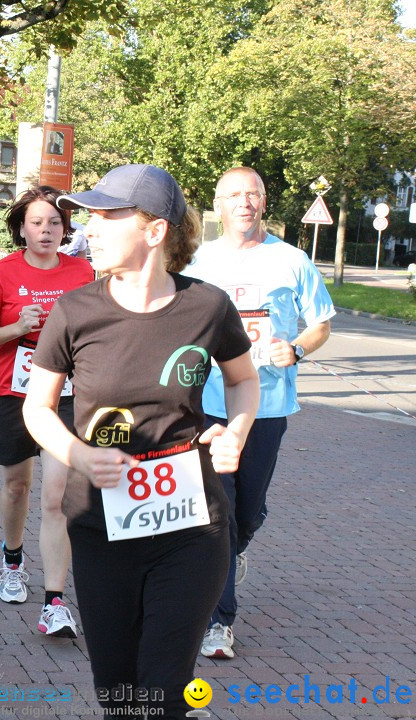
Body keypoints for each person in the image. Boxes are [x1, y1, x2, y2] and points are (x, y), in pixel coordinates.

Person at [21, 164, 260, 719]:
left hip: (191, 527)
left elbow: (244, 381)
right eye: (90, 215)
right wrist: (79, 454)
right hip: (103, 529)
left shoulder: (208, 307)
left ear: (155, 231)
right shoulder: (76, 311)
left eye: (107, 215)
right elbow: (37, 407)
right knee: (119, 693)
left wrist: (238, 431)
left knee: (163, 687)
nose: (90, 227)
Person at [182, 166, 334, 660]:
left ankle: (244, 534)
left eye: (254, 194)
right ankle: (218, 621)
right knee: (218, 514)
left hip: (267, 406)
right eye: (235, 195)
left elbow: (321, 325)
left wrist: (297, 350)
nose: (245, 202)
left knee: (245, 511)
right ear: (218, 205)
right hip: (208, 406)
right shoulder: (197, 262)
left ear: (264, 203)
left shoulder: (292, 261)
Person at [0, 186, 94, 636]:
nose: (46, 230)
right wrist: (18, 327)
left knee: (57, 495)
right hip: (13, 393)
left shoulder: (84, 272)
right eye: (38, 222)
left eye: (55, 223)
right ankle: (12, 559)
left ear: (65, 229)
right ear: (22, 227)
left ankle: (54, 600)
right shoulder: (3, 272)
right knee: (18, 486)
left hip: (65, 396)